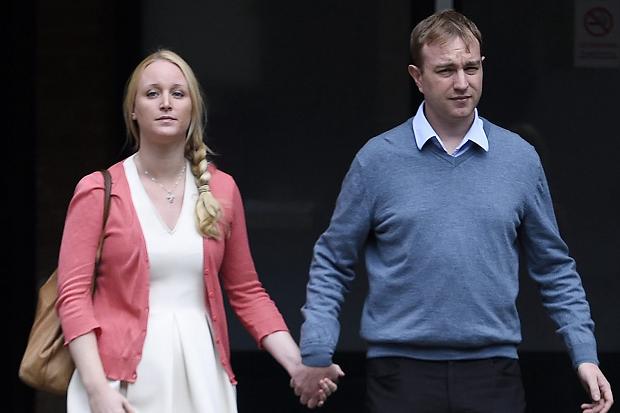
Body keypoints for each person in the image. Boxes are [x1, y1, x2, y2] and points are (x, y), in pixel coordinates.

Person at [291, 9, 614, 413]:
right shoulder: (378, 160)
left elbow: (553, 267)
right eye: (445, 70)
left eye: (471, 67)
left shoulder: (519, 159)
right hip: (400, 373)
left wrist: (584, 352)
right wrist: (318, 346)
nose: (462, 83)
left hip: (493, 371)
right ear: (416, 77)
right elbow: (333, 259)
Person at [56, 49, 343, 413]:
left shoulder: (222, 190)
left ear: (193, 108)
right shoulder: (99, 190)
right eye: (152, 93)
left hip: (202, 376)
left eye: (178, 93)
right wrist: (97, 390)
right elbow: (73, 297)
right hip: (116, 384)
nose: (165, 103)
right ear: (133, 109)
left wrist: (297, 363)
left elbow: (247, 292)